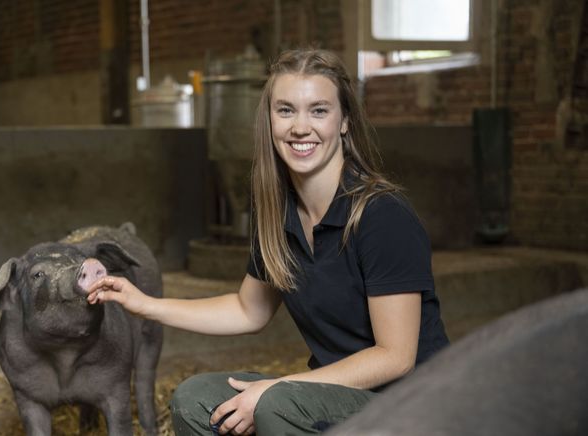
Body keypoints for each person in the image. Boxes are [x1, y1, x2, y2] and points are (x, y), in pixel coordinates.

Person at [87, 48, 450, 435]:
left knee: (276, 405)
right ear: (270, 119)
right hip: (333, 398)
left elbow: (395, 358)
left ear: (344, 121)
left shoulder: (380, 214)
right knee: (195, 399)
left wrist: (277, 388)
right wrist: (144, 305)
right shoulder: (278, 214)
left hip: (413, 407)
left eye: (319, 110)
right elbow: (248, 310)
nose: (300, 127)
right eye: (286, 110)